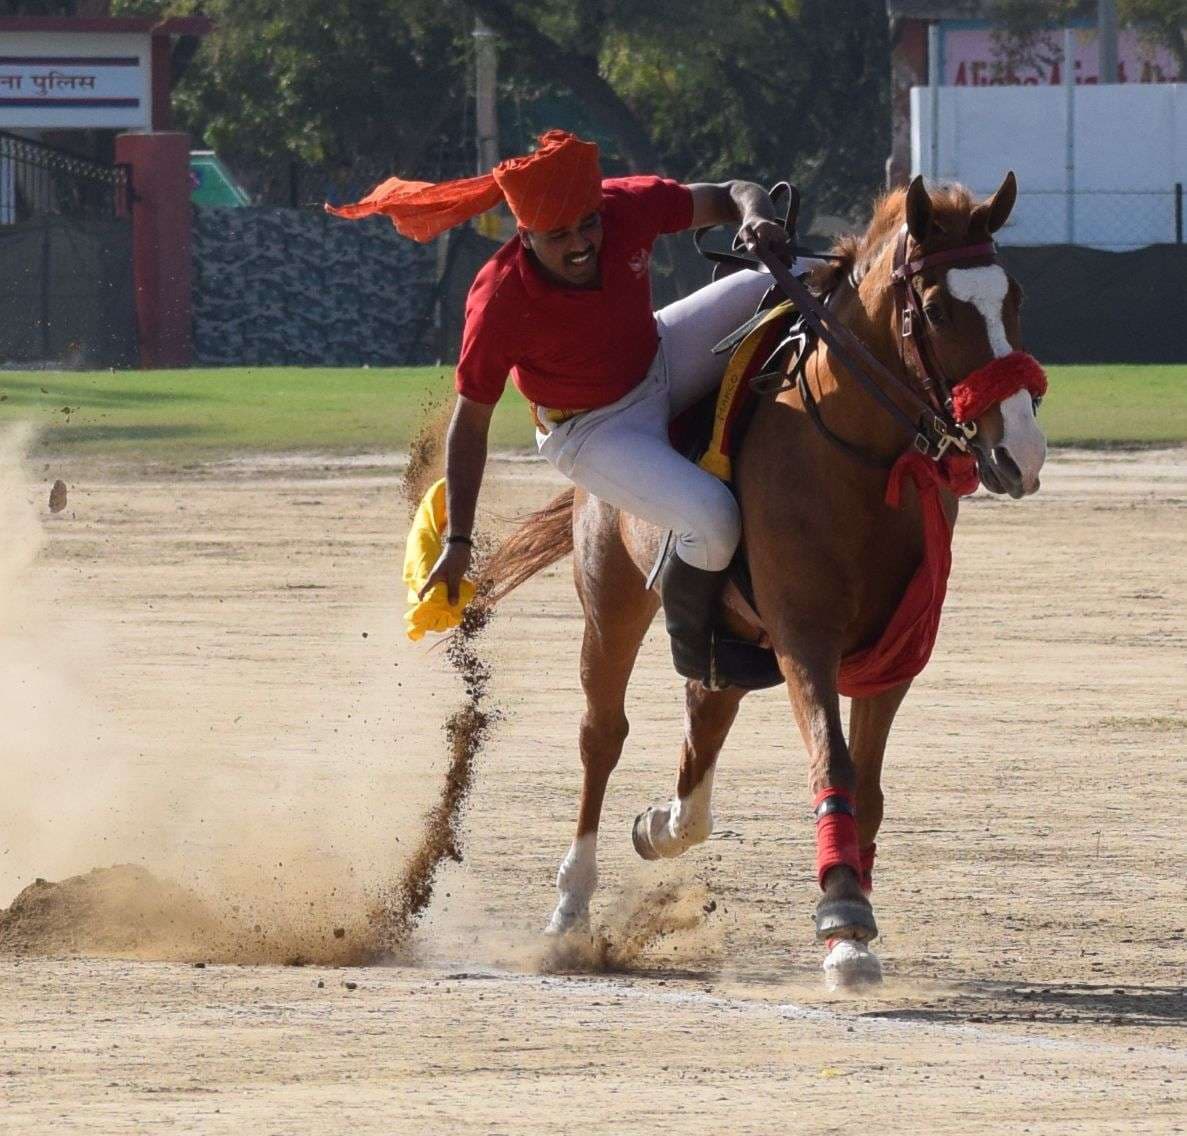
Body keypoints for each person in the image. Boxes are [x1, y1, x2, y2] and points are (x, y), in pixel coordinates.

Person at [327, 130, 790, 685]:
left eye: (587, 223)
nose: (581, 243)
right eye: (557, 235)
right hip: (591, 429)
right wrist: (457, 544)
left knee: (797, 279)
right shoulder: (498, 298)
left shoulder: (623, 205)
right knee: (713, 518)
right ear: (524, 235)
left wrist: (757, 216)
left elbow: (732, 190)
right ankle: (703, 651)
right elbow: (470, 424)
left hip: (660, 355)